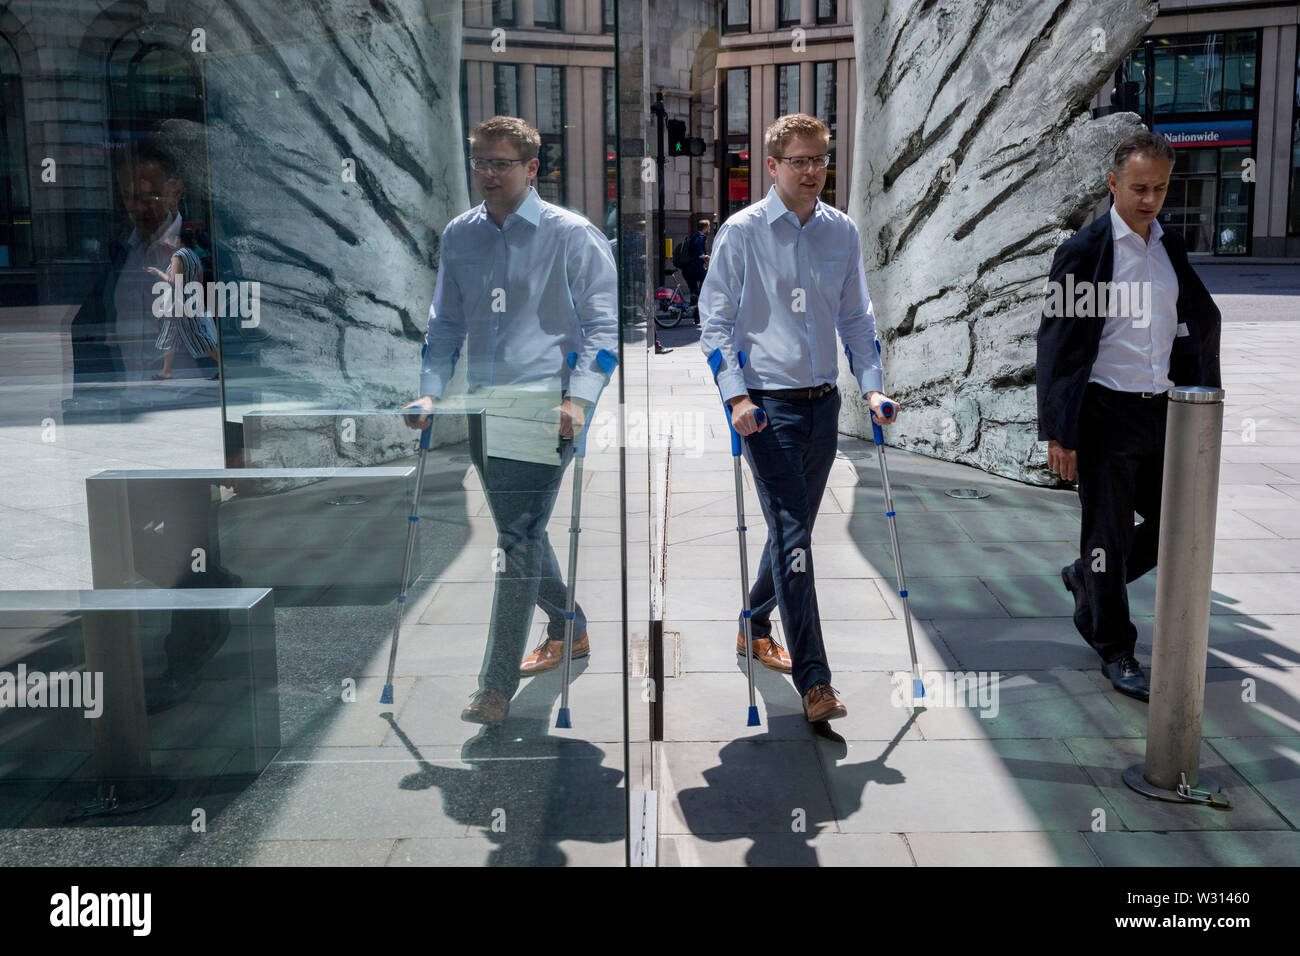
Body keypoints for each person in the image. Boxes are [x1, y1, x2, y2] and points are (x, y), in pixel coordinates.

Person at [403, 116, 618, 727]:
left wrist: (579, 401)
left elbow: (604, 332)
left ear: (531, 168)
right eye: (480, 162)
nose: (488, 174)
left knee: (515, 540)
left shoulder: (571, 236)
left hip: (546, 408)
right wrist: (429, 394)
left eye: (500, 163)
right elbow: (444, 324)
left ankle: (493, 686)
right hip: (482, 407)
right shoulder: (460, 236)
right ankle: (569, 624)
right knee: (523, 533)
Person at [699, 113, 900, 724]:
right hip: (767, 411)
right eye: (800, 161)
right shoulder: (743, 232)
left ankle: (753, 621)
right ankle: (816, 681)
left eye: (820, 160)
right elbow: (714, 324)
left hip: (824, 406)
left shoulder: (842, 232)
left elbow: (857, 319)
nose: (812, 171)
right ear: (772, 166)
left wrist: (871, 389)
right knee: (794, 539)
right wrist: (736, 398)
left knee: (794, 535)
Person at [1037, 130, 1222, 702]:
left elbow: (1192, 321)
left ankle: (1085, 581)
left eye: (1160, 189)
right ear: (1113, 183)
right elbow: (1058, 345)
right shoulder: (1085, 251)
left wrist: (1201, 395)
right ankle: (1116, 648)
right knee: (1109, 537)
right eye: (1139, 187)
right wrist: (1058, 431)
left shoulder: (1170, 247)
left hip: (1163, 412)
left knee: (1177, 527)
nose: (1149, 199)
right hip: (1105, 414)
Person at [149, 226, 221, 380]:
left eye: (172, 238)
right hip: (190, 299)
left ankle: (223, 365)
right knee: (170, 334)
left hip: (179, 302)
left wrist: (159, 272)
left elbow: (174, 281)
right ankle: (166, 371)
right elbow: (199, 280)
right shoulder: (194, 256)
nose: (169, 241)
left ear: (179, 240)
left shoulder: (178, 256)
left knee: (197, 336)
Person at [682, 217, 711, 324]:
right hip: (696, 268)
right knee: (708, 280)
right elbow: (698, 249)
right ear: (705, 228)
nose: (709, 229)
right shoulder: (700, 237)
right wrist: (704, 256)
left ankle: (696, 317)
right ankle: (696, 296)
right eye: (708, 227)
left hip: (687, 269)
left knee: (694, 292)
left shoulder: (692, 236)